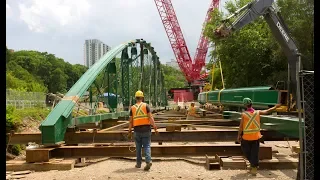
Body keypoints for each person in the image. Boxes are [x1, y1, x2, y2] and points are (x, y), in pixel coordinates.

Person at [237, 97, 281, 175]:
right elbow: (267, 111)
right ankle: (254, 167)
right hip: (256, 137)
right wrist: (275, 107)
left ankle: (253, 166)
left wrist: (238, 136)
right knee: (254, 152)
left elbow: (241, 127)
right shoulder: (258, 112)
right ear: (251, 104)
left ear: (245, 105)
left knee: (246, 151)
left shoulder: (244, 114)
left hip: (246, 137)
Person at [128, 90, 158, 171]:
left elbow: (130, 121)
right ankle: (148, 161)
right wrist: (155, 127)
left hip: (137, 130)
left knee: (138, 148)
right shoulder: (146, 106)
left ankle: (138, 164)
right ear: (142, 98)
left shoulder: (132, 108)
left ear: (135, 98)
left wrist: (129, 130)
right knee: (147, 145)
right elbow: (150, 118)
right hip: (146, 129)